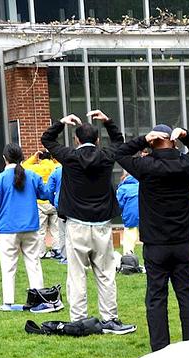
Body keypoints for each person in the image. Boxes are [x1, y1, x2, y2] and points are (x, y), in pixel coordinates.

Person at [41, 110, 135, 335]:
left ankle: (79, 320)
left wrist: (61, 122)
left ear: (76, 140)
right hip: (102, 224)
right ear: (98, 140)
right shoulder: (106, 156)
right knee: (106, 274)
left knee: (76, 275)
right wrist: (108, 120)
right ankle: (110, 319)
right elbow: (119, 141)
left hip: (76, 224)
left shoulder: (69, 157)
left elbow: (47, 140)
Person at [114, 125, 189, 351]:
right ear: (174, 142)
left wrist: (143, 139)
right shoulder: (186, 165)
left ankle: (160, 348)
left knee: (156, 297)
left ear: (151, 144)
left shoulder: (146, 167)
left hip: (156, 243)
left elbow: (120, 153)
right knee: (186, 294)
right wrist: (186, 135)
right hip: (184, 241)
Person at [0, 143, 49, 310]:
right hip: (30, 225)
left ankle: (8, 302)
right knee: (34, 263)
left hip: (8, 228)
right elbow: (45, 194)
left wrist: (1, 197)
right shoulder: (32, 176)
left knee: (8, 266)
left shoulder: (0, 179)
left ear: (5, 158)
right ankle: (38, 299)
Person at [22, 149, 63, 259]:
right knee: (56, 229)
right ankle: (57, 250)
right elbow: (61, 165)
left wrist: (34, 158)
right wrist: (55, 158)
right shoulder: (56, 167)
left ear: (40, 158)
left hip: (40, 202)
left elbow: (24, 166)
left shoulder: (35, 168)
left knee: (40, 230)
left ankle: (41, 252)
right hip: (53, 201)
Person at [117, 171, 140, 256]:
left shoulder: (122, 188)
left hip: (131, 217)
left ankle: (128, 259)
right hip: (146, 216)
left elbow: (119, 204)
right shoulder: (142, 185)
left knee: (129, 241)